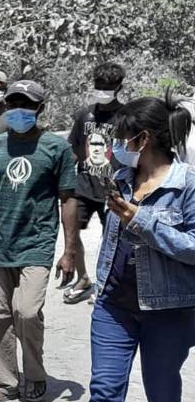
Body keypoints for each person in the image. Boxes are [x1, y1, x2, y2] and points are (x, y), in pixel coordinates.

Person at [85, 95, 195, 402]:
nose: (117, 144)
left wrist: (139, 219)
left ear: (142, 139)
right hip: (113, 306)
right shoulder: (121, 176)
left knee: (162, 401)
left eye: (122, 137)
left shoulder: (187, 184)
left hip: (168, 311)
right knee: (104, 395)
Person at [0, 80, 80, 402]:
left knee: (26, 310)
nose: (19, 109)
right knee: (0, 316)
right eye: (14, 103)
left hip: (36, 244)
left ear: (40, 109)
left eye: (27, 104)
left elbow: (67, 199)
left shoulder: (56, 148)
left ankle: (34, 374)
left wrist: (70, 249)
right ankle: (7, 381)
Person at [64, 62, 127, 303]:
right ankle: (83, 278)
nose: (102, 91)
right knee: (71, 231)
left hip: (113, 188)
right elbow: (74, 148)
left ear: (118, 87)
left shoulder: (125, 116)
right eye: (98, 86)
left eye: (107, 87)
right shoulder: (84, 114)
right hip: (83, 184)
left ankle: (106, 282)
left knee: (112, 237)